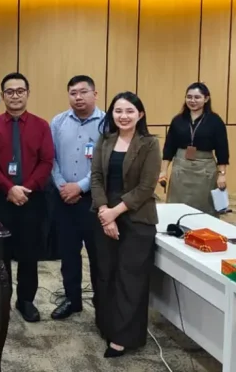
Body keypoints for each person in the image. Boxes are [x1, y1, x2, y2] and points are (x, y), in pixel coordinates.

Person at [91, 92, 161, 358]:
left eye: (130, 111)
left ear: (140, 114)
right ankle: (107, 325)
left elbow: (146, 187)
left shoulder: (149, 143)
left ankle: (123, 337)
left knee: (130, 278)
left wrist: (114, 212)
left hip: (136, 216)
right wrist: (104, 211)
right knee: (106, 273)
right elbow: (96, 177)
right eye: (118, 111)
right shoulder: (105, 139)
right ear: (112, 114)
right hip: (104, 213)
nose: (123, 116)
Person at [0, 72, 53, 323]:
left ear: (27, 93)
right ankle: (2, 301)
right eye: (10, 91)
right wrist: (9, 189)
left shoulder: (41, 126)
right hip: (0, 199)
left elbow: (46, 161)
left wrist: (25, 189)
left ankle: (26, 301)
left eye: (20, 91)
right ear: (3, 95)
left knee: (29, 253)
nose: (15, 95)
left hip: (32, 199)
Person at [49, 75, 104, 320]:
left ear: (95, 94)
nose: (78, 97)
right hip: (63, 199)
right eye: (73, 93)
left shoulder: (107, 124)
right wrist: (63, 186)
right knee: (68, 253)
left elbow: (104, 164)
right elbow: (51, 158)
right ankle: (72, 300)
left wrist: (79, 187)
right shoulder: (58, 122)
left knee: (97, 254)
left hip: (93, 199)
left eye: (83, 92)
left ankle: (102, 302)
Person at [161, 82, 229, 214]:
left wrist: (222, 175)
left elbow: (222, 150)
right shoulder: (178, 120)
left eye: (197, 97)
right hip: (181, 168)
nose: (192, 101)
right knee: (177, 207)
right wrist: (163, 171)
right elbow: (169, 148)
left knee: (204, 208)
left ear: (206, 99)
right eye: (189, 97)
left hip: (205, 170)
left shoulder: (215, 121)